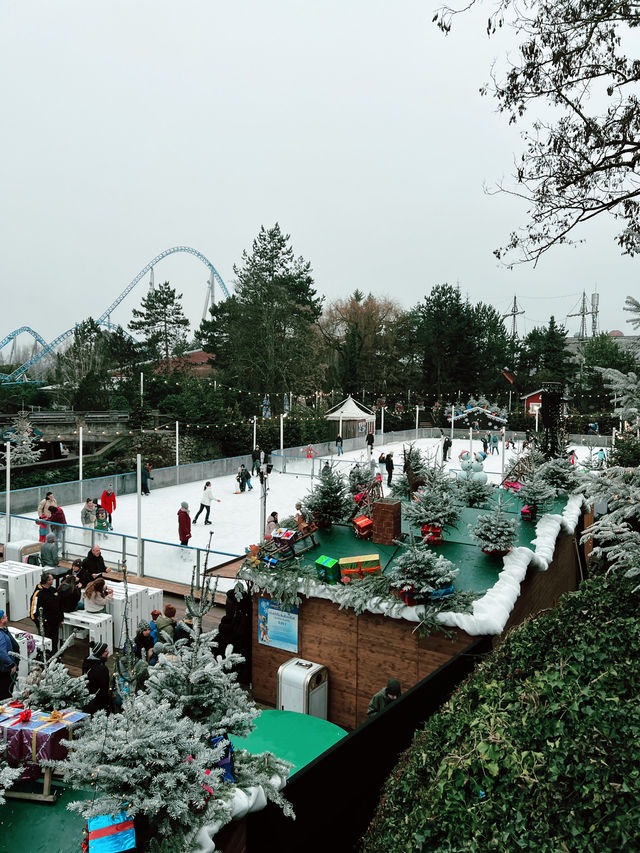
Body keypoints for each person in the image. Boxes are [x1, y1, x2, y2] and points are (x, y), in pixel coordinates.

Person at [29, 572, 62, 653]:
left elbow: (59, 605)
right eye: (51, 579)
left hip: (55, 621)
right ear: (47, 581)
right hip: (45, 623)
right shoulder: (38, 593)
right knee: (46, 641)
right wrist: (39, 623)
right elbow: (33, 612)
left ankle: (55, 654)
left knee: (55, 640)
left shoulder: (53, 590)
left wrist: (61, 618)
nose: (53, 580)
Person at [82, 642, 111, 714]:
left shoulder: (87, 663)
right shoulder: (101, 669)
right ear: (100, 654)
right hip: (97, 702)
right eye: (105, 651)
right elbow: (104, 688)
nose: (108, 652)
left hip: (87, 697)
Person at [0, 610, 19, 700]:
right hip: (5, 670)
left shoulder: (4, 630)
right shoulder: (0, 635)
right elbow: (2, 652)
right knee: (6, 693)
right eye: (5, 616)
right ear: (1, 620)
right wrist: (11, 665)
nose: (7, 617)